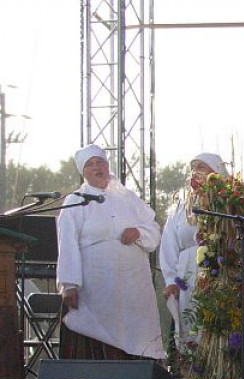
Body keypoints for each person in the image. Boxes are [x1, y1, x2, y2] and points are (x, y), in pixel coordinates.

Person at [56, 144, 164, 361]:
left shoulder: (128, 198)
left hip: (133, 287)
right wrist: (69, 285)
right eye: (90, 164)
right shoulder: (76, 200)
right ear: (83, 171)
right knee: (99, 340)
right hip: (97, 287)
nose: (97, 167)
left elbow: (153, 230)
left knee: (136, 335)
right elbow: (67, 244)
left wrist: (138, 232)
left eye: (100, 162)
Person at [158, 152, 227, 348]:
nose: (195, 172)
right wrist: (172, 280)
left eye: (201, 167)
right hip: (187, 274)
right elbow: (168, 246)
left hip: (220, 273)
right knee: (190, 329)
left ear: (217, 173)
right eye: (193, 168)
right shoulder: (182, 207)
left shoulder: (227, 205)